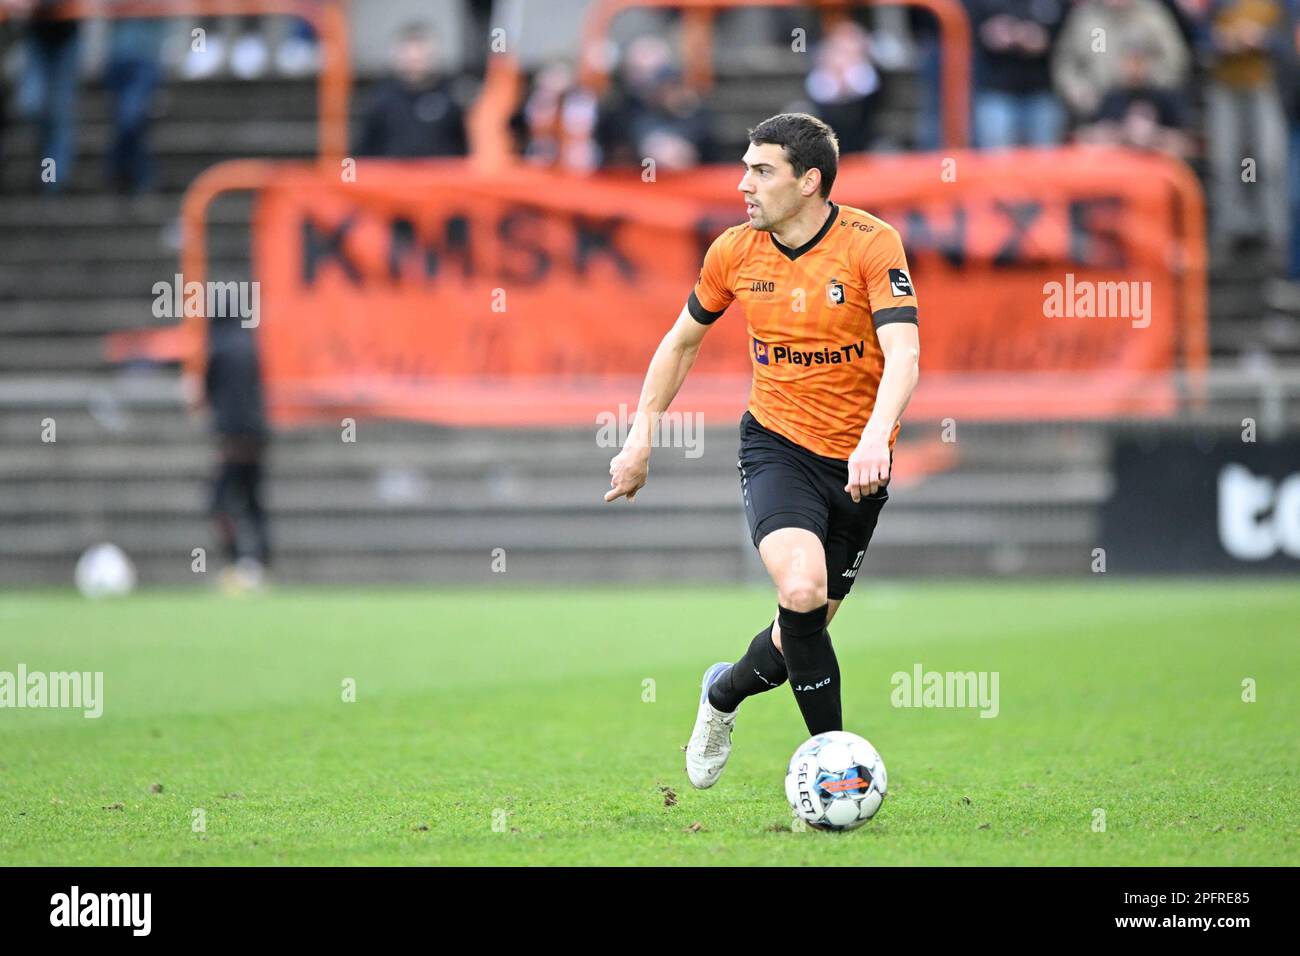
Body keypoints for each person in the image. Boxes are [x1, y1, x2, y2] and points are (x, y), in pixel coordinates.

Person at [603, 113, 921, 789]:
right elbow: (682, 341)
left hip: (861, 466)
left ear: (809, 181)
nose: (743, 183)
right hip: (777, 447)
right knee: (800, 588)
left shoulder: (871, 243)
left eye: (761, 170)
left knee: (792, 637)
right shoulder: (734, 252)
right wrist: (641, 434)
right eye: (746, 167)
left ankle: (722, 695)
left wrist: (874, 437)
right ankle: (837, 772)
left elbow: (904, 352)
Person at [205, 319, 272, 593]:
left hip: (233, 438)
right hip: (256, 437)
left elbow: (210, 391)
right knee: (253, 503)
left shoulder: (218, 349)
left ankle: (234, 563)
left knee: (219, 503)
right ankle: (262, 564)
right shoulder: (251, 347)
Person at [355, 22, 467, 158]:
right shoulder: (379, 98)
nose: (414, 62)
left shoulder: (455, 95)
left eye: (420, 57)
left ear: (433, 55)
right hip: (391, 176)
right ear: (397, 56)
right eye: (408, 57)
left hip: (446, 176)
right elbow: (365, 152)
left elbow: (469, 148)